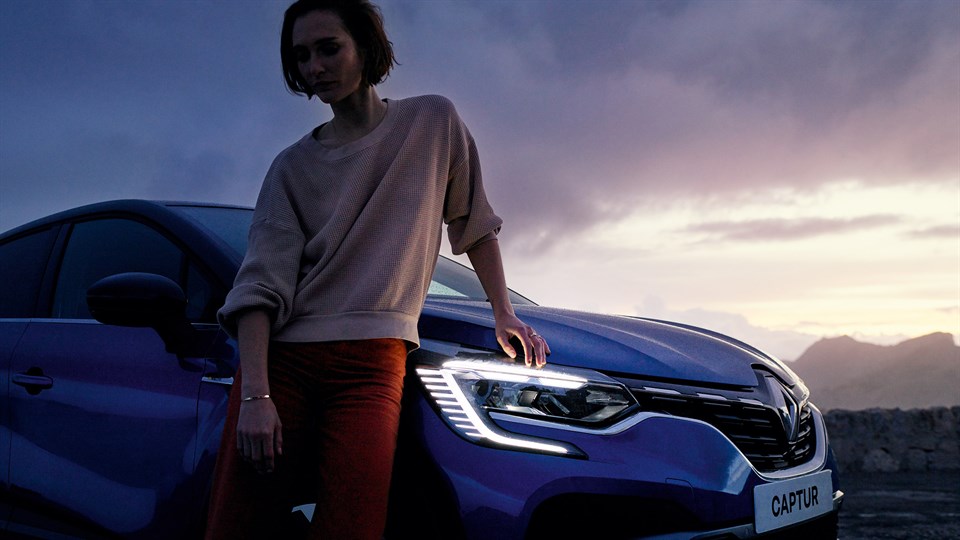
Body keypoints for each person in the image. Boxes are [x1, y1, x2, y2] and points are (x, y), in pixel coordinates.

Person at [203, 1, 550, 538]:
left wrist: (502, 313)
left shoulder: (433, 122)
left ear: (365, 46)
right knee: (239, 525)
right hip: (284, 365)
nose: (314, 66)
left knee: (355, 524)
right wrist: (256, 396)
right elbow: (258, 288)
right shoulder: (291, 167)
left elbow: (474, 223)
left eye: (328, 48)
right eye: (301, 56)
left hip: (371, 366)